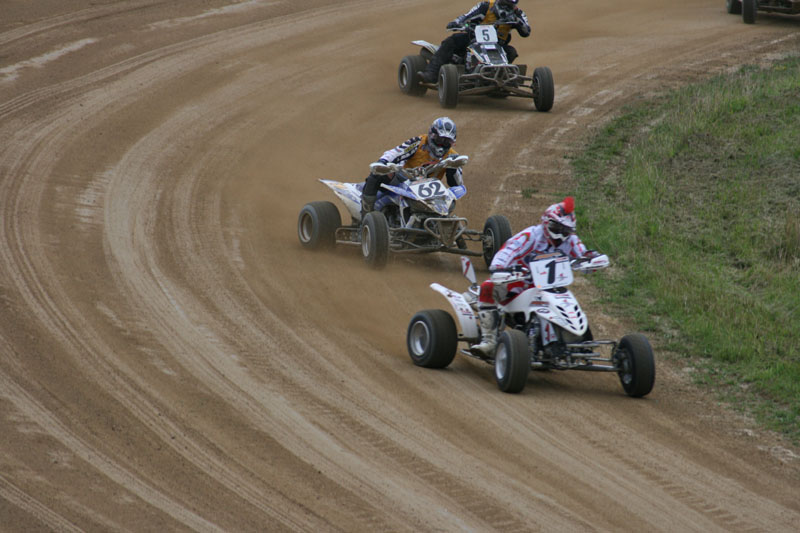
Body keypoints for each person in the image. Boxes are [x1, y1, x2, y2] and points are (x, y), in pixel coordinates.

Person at [472, 196, 601, 355]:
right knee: (488, 286)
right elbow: (508, 250)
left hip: (552, 288)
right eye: (556, 228)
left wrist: (592, 260)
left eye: (565, 231)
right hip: (520, 281)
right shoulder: (531, 236)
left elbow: (583, 255)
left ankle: (579, 339)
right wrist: (500, 267)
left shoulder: (571, 240)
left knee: (570, 306)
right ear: (546, 222)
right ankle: (489, 340)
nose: (560, 235)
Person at [361, 116, 463, 216]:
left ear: (452, 143)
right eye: (439, 140)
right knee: (376, 175)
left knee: (450, 202)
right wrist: (382, 162)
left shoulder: (453, 156)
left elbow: (457, 184)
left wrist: (453, 169)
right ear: (432, 134)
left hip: (430, 191)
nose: (441, 145)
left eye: (447, 142)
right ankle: (366, 215)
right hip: (403, 180)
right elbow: (395, 153)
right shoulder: (418, 142)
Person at [420, 0, 531, 83]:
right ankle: (432, 73)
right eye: (505, 5)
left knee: (511, 52)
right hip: (473, 39)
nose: (506, 9)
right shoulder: (486, 6)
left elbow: (526, 32)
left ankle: (499, 78)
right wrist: (457, 22)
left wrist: (518, 22)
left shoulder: (518, 14)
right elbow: (466, 16)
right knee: (451, 41)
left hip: (498, 46)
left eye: (510, 6)